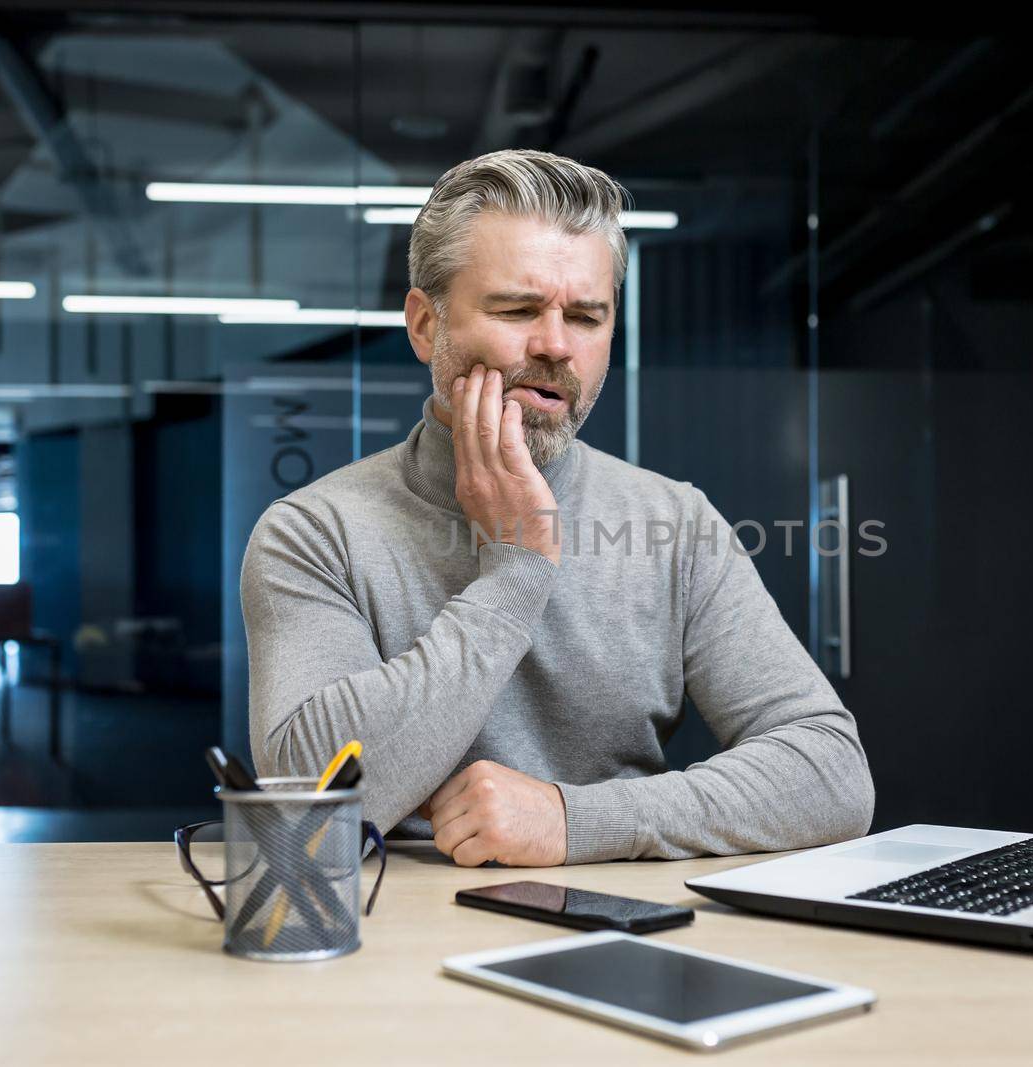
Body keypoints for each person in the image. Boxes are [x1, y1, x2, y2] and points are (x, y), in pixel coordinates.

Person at [242, 148, 874, 866]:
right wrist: (516, 568)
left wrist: (576, 820)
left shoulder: (676, 523)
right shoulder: (313, 534)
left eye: (586, 316)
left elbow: (831, 774)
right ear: (424, 325)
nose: (555, 345)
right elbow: (307, 808)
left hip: (620, 934)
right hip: (388, 937)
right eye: (517, 309)